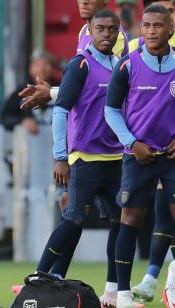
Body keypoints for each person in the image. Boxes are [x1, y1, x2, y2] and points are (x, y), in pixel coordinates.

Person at [34, 9, 123, 307]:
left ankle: (113, 290)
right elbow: (60, 109)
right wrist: (61, 156)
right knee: (73, 218)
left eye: (112, 30)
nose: (106, 35)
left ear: (118, 32)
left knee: (122, 221)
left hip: (116, 158)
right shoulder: (80, 64)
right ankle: (40, 277)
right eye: (101, 29)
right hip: (85, 157)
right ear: (90, 31)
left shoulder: (120, 65)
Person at [104, 5, 175, 307]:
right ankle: (122, 296)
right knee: (129, 221)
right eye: (146, 25)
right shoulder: (128, 64)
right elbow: (110, 110)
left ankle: (170, 289)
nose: (151, 31)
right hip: (138, 155)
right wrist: (132, 143)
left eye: (158, 26)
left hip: (171, 157)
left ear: (170, 29)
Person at [126, 1, 175, 302]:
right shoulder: (134, 50)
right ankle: (151, 279)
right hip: (153, 151)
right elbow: (108, 91)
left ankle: (154, 279)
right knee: (161, 213)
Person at [18, 0, 129, 110]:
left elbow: (104, 87)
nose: (84, 2)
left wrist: (52, 93)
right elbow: (82, 82)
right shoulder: (84, 31)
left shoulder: (114, 37)